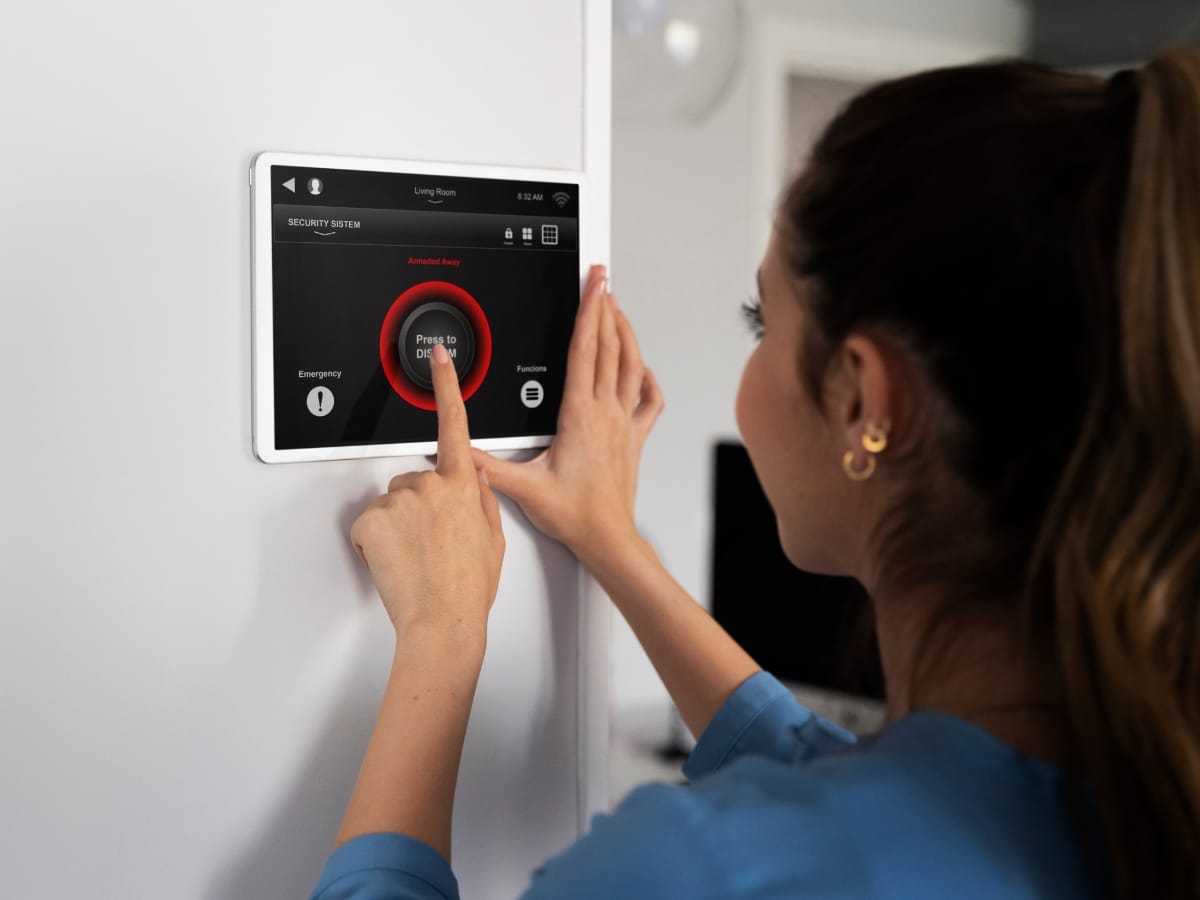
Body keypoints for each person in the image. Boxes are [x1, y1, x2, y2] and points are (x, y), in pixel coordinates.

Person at [309, 48, 1200, 900]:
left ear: (860, 399)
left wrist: (442, 636)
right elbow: (848, 783)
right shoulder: (1140, 796)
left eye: (760, 322)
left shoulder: (694, 870)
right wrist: (611, 542)